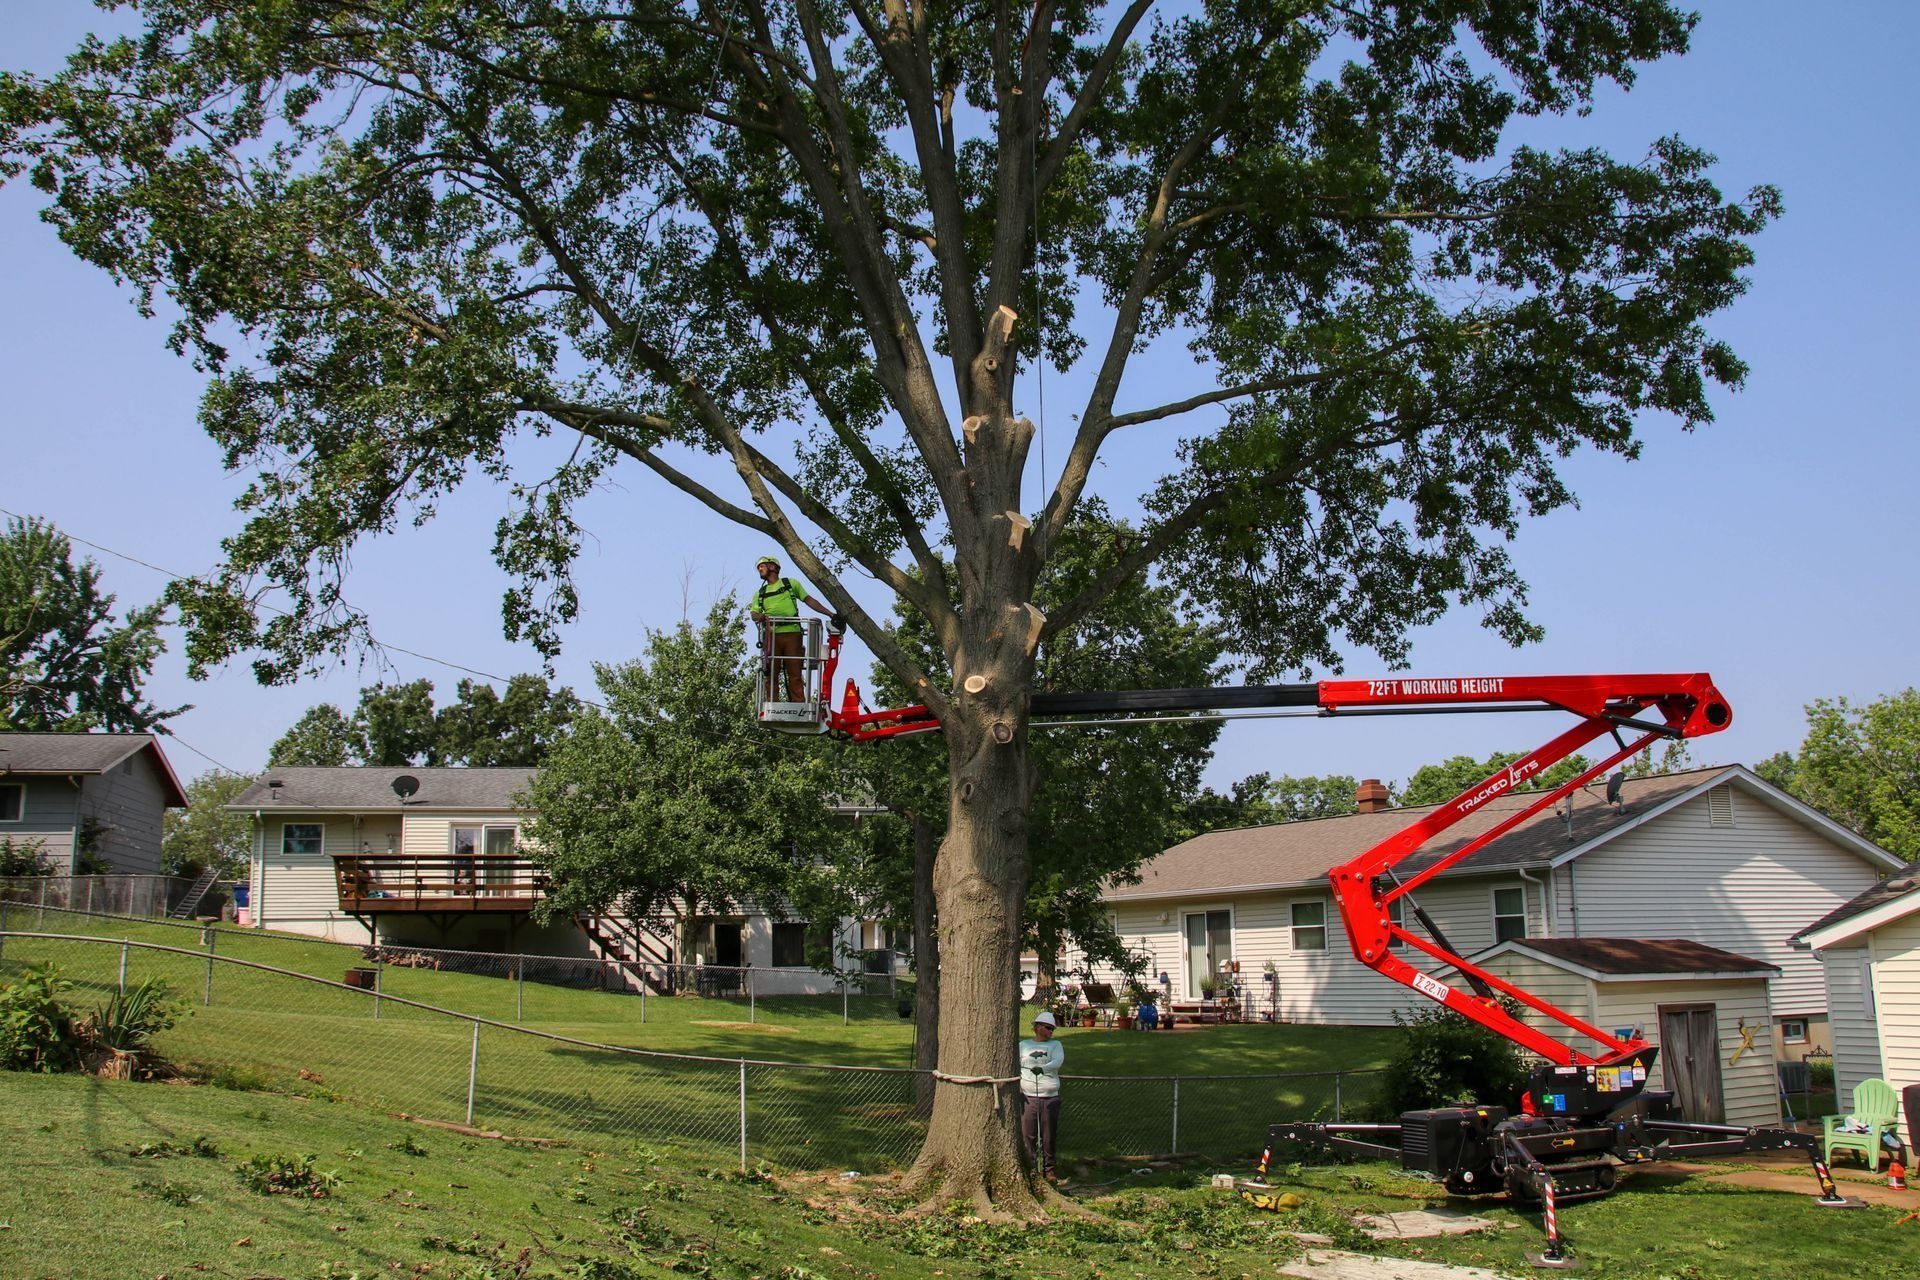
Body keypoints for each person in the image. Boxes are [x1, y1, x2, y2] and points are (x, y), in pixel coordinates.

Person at [749, 554, 834, 701]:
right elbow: (754, 613)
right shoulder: (760, 593)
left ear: (773, 567)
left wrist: (831, 614)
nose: (759, 569)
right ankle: (772, 705)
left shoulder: (790, 584)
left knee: (794, 672)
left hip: (792, 633)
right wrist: (760, 617)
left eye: (762, 565)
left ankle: (799, 704)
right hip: (772, 636)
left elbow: (809, 600)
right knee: (771, 673)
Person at [1019, 1010, 1066, 1183]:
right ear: (1038, 1027)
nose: (1051, 1032)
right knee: (1028, 1134)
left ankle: (1049, 1169)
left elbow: (1057, 1062)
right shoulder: (1023, 1045)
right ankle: (1031, 1167)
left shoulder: (1055, 1046)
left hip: (1050, 1094)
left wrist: (1043, 1069)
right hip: (1028, 1095)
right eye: (1048, 1028)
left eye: (1052, 1029)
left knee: (1048, 1134)